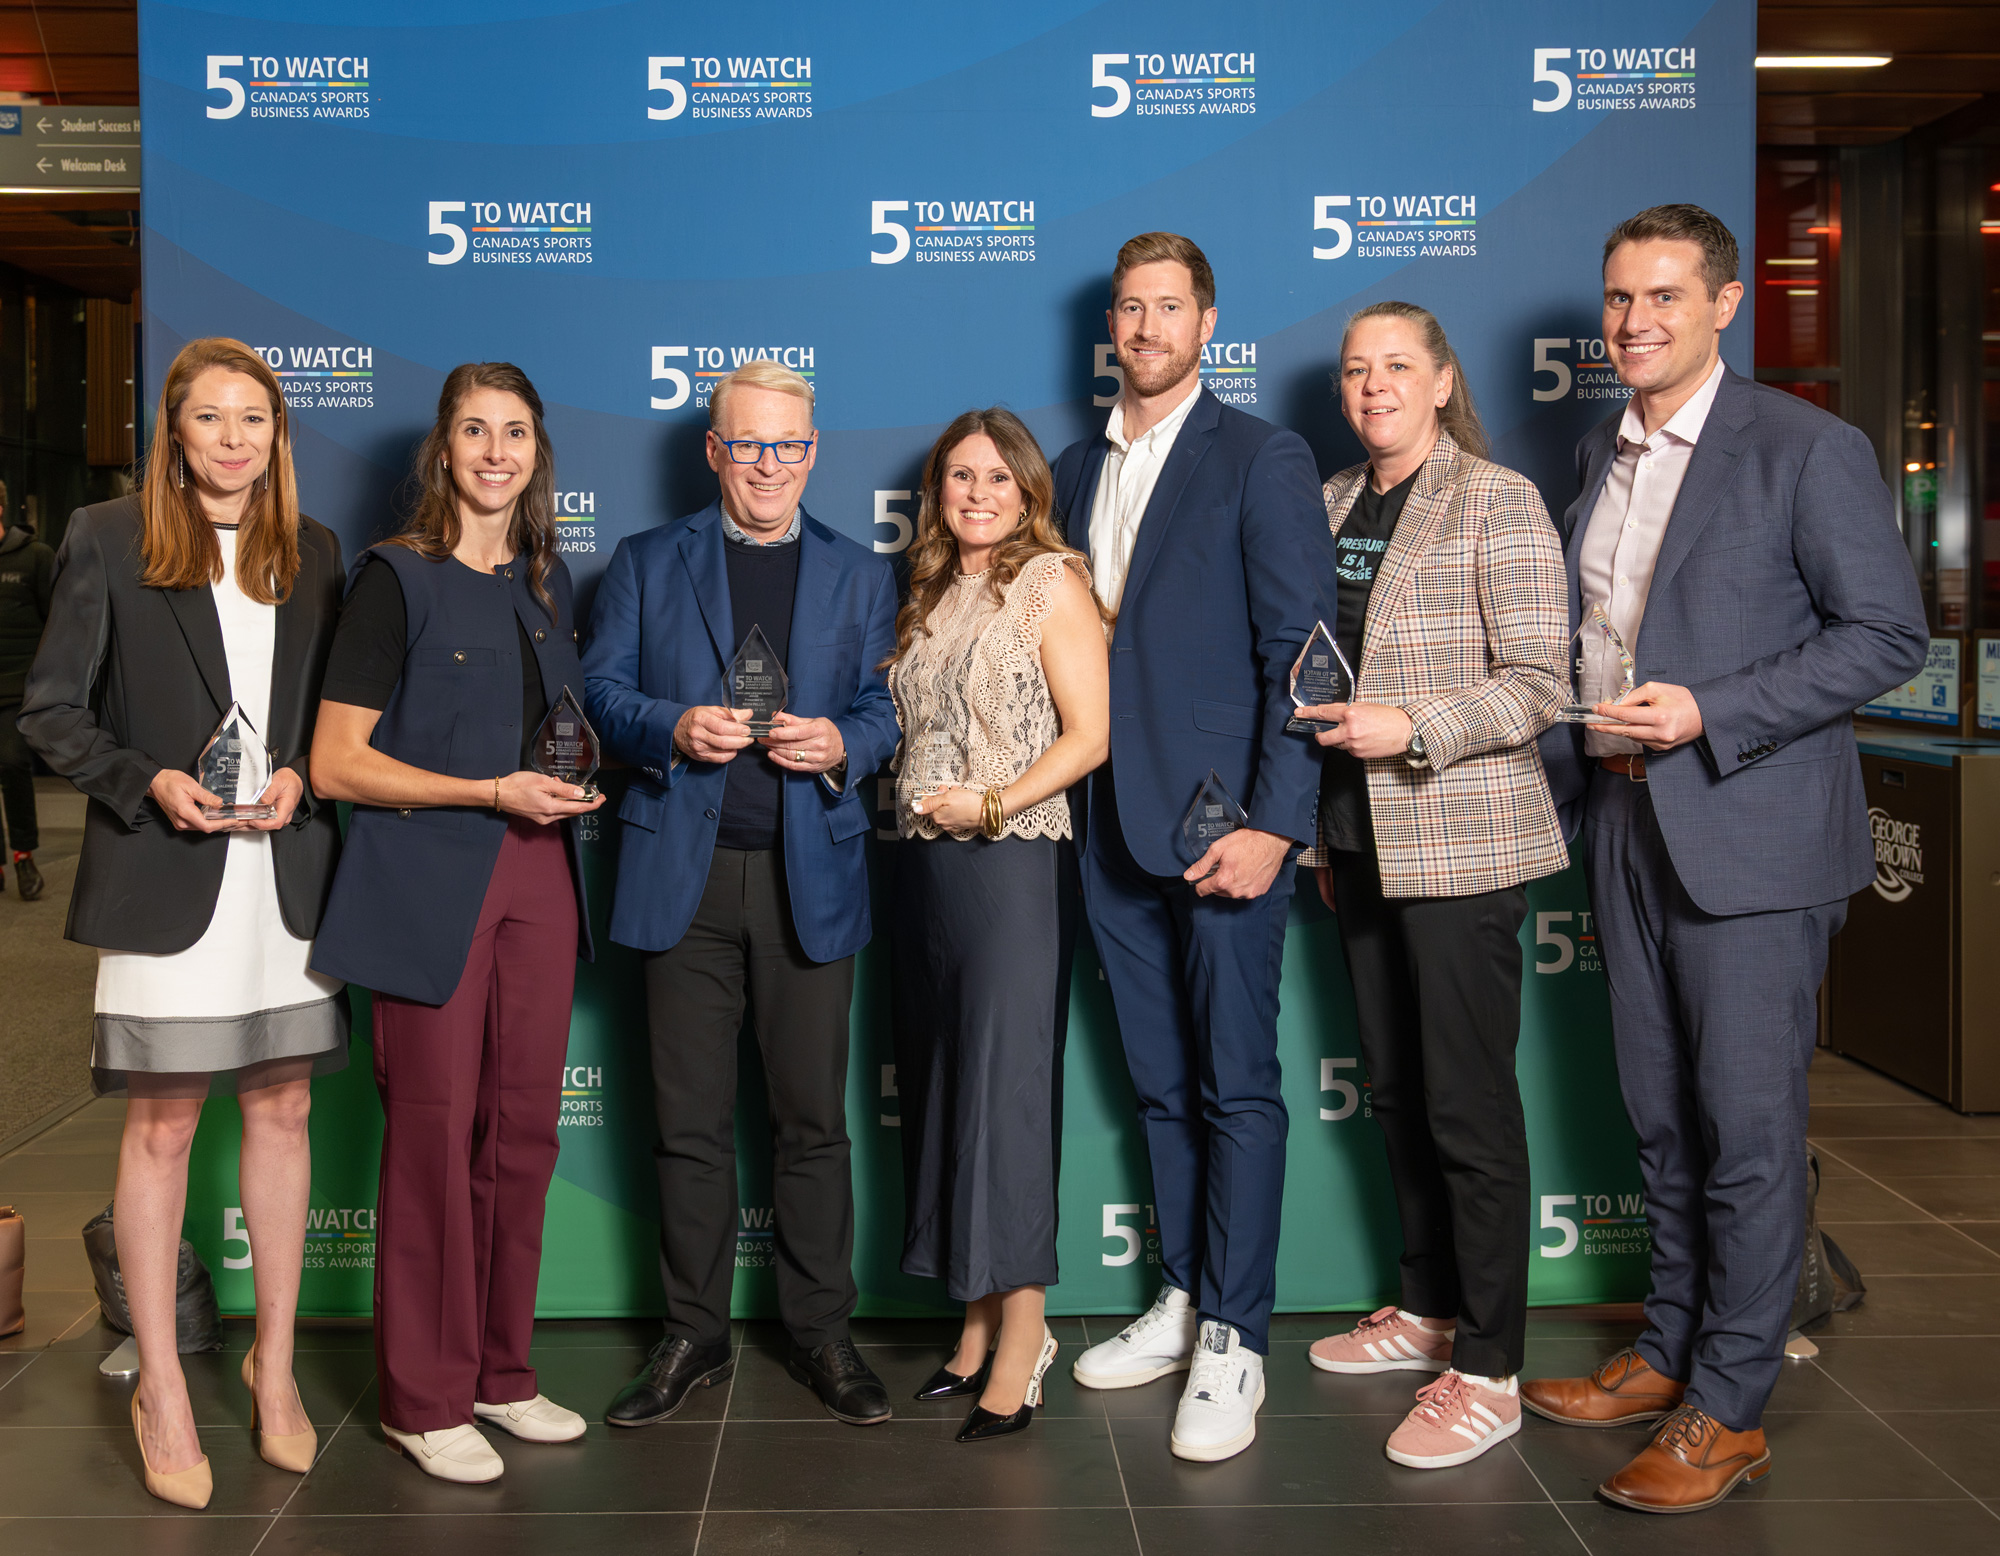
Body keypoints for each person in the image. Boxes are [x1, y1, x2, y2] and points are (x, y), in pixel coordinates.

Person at [1523, 206, 1928, 1514]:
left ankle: (1731, 1407)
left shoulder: (1805, 448)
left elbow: (1887, 635)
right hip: (1627, 823)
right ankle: (1668, 1351)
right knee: (1662, 1120)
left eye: (1661, 297)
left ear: (1726, 304)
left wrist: (1715, 709)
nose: (1633, 322)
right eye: (1617, 298)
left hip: (1746, 829)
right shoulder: (1602, 446)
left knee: (1747, 1135)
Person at [19, 338, 347, 1508]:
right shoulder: (109, 536)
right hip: (169, 870)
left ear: (276, 434)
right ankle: (160, 1379)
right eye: (210, 417)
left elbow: (324, 716)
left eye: (253, 417)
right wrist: (143, 778)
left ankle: (274, 1365)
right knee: (161, 1128)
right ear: (174, 429)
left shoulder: (312, 552)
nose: (233, 438)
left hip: (281, 875)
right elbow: (50, 710)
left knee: (285, 1104)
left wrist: (306, 770)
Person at [1054, 232, 1337, 1462]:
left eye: (1168, 307)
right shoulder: (1067, 467)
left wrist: (1280, 820)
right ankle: (1180, 1296)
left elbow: (1302, 652)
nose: (1146, 327)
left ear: (1206, 322)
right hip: (1104, 819)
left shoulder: (1259, 455)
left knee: (1235, 1083)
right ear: (1109, 326)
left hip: (1225, 823)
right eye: (1129, 308)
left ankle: (1236, 1334)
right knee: (1160, 1083)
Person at [585, 360, 902, 1430]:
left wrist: (842, 741)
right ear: (712, 450)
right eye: (746, 443)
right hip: (683, 873)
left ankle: (820, 1331)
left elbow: (881, 709)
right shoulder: (643, 561)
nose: (768, 464)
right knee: (686, 1123)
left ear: (812, 452)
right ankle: (693, 1332)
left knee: (812, 1121)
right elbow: (599, 693)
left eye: (787, 444)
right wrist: (670, 726)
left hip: (808, 871)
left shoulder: (860, 573)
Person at [309, 362, 604, 1484]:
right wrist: (488, 792)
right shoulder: (395, 578)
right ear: (443, 449)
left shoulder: (545, 579)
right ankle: (420, 1397)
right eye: (474, 429)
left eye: (515, 430)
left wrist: (571, 783)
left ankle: (499, 1372)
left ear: (537, 453)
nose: (495, 450)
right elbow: (338, 761)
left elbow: (549, 733)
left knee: (522, 1133)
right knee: (432, 1138)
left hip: (539, 877)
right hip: (427, 885)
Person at [1290, 302, 1568, 1469]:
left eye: (1396, 365)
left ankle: (1491, 1365)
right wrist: (1315, 838)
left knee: (1464, 1105)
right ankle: (1427, 1307)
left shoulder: (1492, 497)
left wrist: (1413, 724)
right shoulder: (1329, 502)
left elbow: (1538, 682)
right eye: (1357, 370)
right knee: (1397, 1093)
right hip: (1356, 844)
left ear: (1442, 380)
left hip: (1458, 843)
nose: (1372, 385)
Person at [886, 408, 1110, 1442]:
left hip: (1013, 863)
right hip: (926, 872)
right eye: (956, 477)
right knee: (947, 1086)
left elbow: (1089, 734)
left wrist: (993, 801)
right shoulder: (933, 588)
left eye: (994, 477)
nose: (974, 493)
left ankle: (1024, 1335)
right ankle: (974, 1323)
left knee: (1006, 1093)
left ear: (1026, 489)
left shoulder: (1049, 581)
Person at [0, 476, 54, 900]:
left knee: (12, 764)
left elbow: (59, 624)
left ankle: (23, 854)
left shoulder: (35, 557)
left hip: (18, 689)